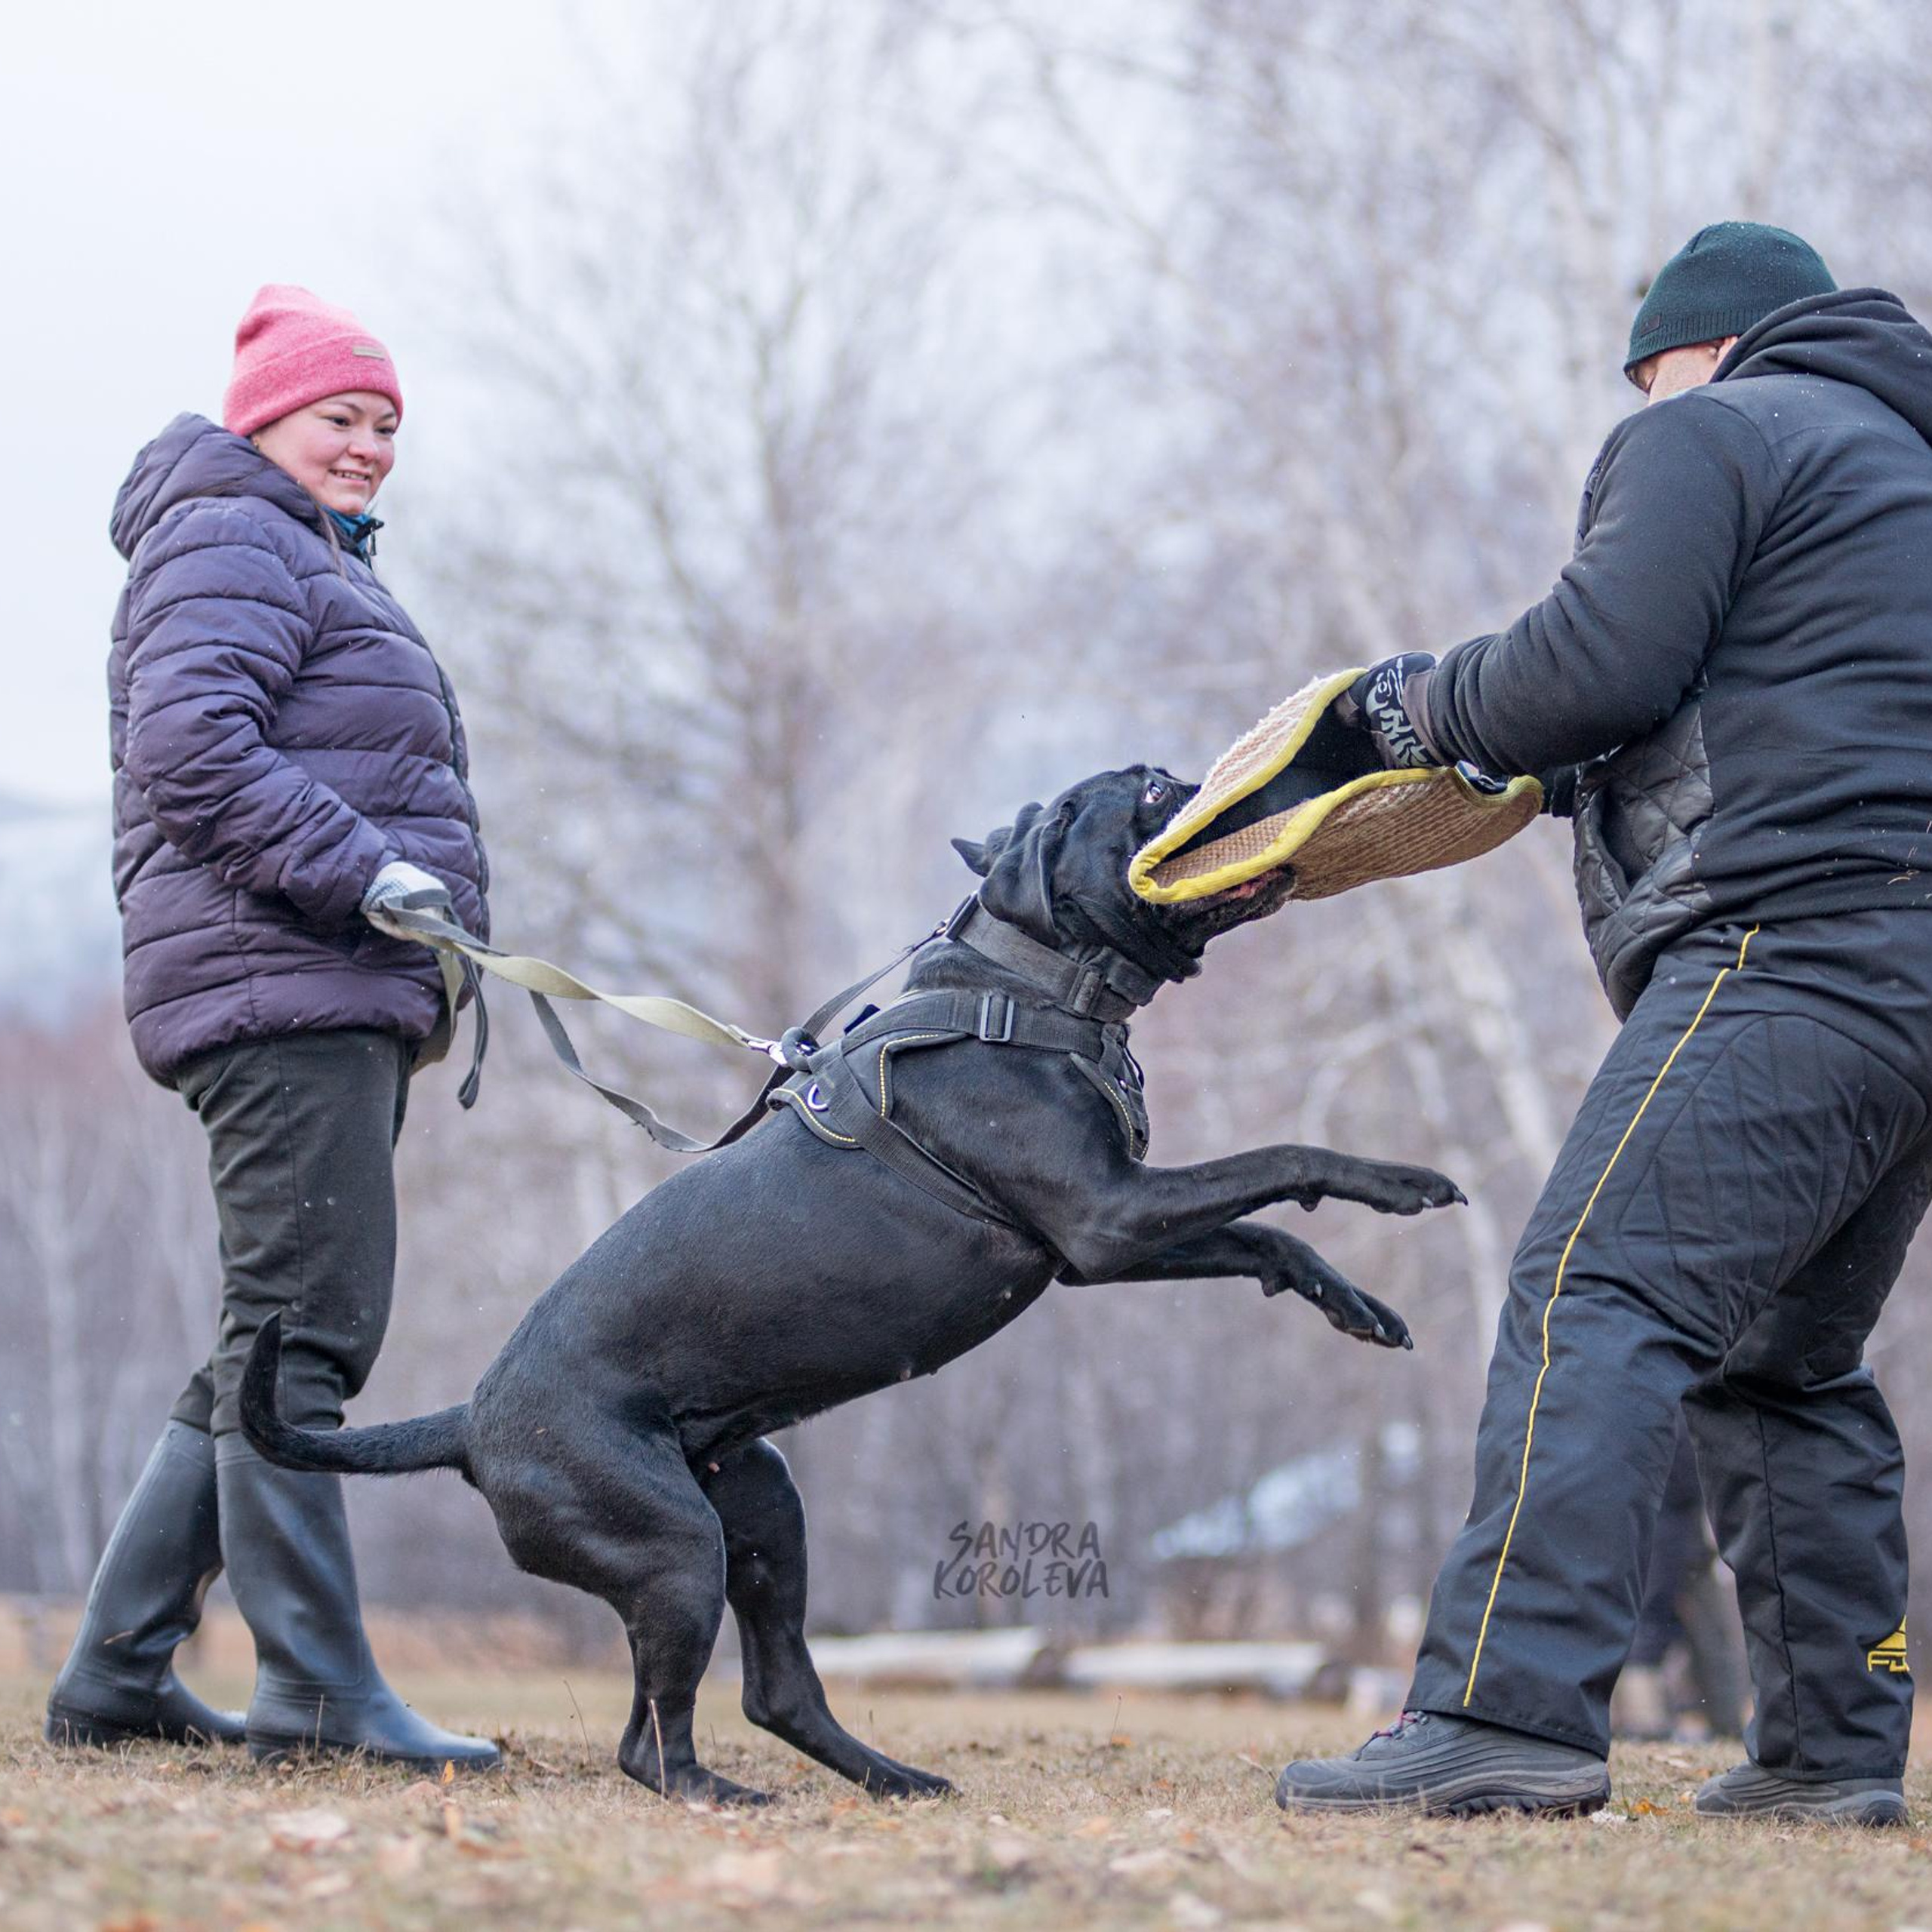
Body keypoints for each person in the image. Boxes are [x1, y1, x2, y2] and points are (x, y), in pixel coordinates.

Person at [1275, 223, 1929, 1827]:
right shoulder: (1894, 479)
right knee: (1782, 1355)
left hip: (1789, 945)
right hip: (1910, 985)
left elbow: (1592, 659)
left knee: (1593, 1286)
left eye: (1643, 372)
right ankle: (1828, 1751)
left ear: (1699, 348)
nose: (1635, 401)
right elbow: (1768, 694)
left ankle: (1504, 1711)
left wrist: (1412, 706)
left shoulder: (1714, 429)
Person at [45, 286, 498, 1769]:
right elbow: (190, 749)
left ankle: (117, 1669)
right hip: (279, 988)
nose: (367, 446)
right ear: (264, 422)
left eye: (383, 424)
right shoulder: (230, 532)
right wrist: (369, 870)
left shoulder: (294, 547)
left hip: (316, 989)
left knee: (267, 1334)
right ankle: (313, 1687)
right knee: (304, 1337)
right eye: (338, 418)